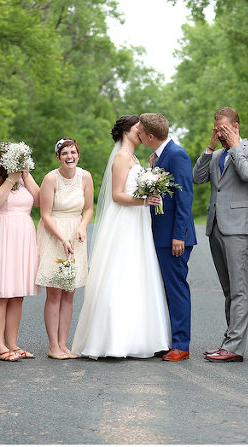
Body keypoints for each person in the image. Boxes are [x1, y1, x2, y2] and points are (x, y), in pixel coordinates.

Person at [71, 115, 171, 359]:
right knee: (120, 273)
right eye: (138, 128)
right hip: (125, 220)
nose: (141, 131)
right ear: (127, 131)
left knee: (138, 274)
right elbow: (117, 195)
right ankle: (112, 341)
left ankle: (140, 338)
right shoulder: (122, 157)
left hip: (138, 221)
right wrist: (144, 200)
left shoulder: (134, 158)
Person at [193, 107, 248, 362]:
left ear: (235, 127)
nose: (220, 134)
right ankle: (228, 342)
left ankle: (234, 348)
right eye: (216, 130)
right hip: (215, 227)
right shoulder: (215, 155)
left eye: (223, 130)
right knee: (228, 289)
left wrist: (234, 146)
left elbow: (247, 173)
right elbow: (197, 178)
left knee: (239, 290)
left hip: (238, 228)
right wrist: (210, 147)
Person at [137, 113, 197, 362]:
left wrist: (179, 236)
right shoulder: (158, 156)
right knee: (162, 290)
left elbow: (185, 198)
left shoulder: (177, 154)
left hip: (173, 237)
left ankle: (181, 345)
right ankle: (168, 341)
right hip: (159, 234)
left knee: (176, 289)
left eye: (140, 132)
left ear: (150, 136)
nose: (138, 135)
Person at [0, 145, 41, 362]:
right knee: (0, 294)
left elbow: (40, 201)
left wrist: (26, 176)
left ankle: (12, 344)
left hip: (22, 238)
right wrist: (11, 179)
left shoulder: (24, 179)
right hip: (0, 237)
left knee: (17, 295)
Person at [35, 138, 94, 360]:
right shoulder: (51, 178)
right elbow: (45, 214)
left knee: (69, 293)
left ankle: (63, 344)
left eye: (73, 152)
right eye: (65, 153)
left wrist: (82, 226)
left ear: (78, 155)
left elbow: (89, 209)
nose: (70, 156)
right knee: (54, 294)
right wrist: (62, 239)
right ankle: (53, 346)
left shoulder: (86, 177)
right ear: (58, 157)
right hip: (54, 235)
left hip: (76, 236)